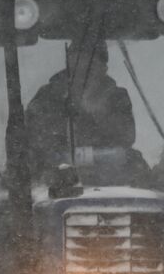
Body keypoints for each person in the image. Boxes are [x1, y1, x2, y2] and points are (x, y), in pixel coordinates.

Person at [24, 39, 137, 175]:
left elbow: (126, 138)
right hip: (54, 180)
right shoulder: (47, 96)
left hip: (110, 177)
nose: (83, 72)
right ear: (69, 64)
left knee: (136, 162)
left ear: (103, 70)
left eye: (91, 65)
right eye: (78, 63)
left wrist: (99, 114)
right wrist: (65, 114)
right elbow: (31, 137)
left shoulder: (117, 97)